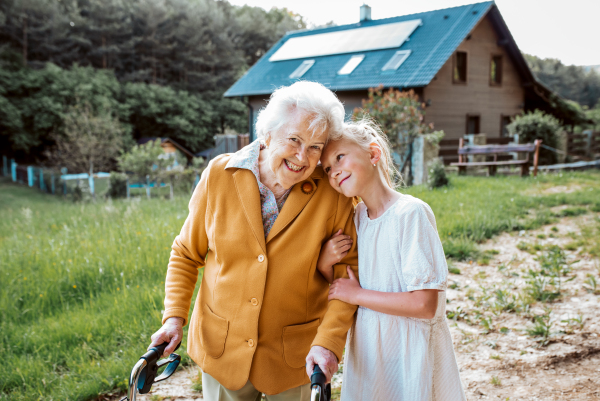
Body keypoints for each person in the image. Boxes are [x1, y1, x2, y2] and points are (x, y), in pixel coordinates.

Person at [147, 81, 359, 401]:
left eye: (315, 147)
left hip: (296, 356)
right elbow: (186, 253)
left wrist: (327, 343)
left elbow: (348, 278)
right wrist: (174, 318)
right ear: (268, 133)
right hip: (223, 348)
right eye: (294, 139)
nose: (302, 156)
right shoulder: (220, 174)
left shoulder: (333, 194)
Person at [318, 118, 466, 400]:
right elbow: (344, 290)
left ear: (373, 154)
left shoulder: (410, 214)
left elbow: (424, 304)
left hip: (408, 349)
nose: (334, 172)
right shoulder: (358, 218)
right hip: (372, 352)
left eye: (339, 157)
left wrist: (359, 294)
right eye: (327, 169)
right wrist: (325, 264)